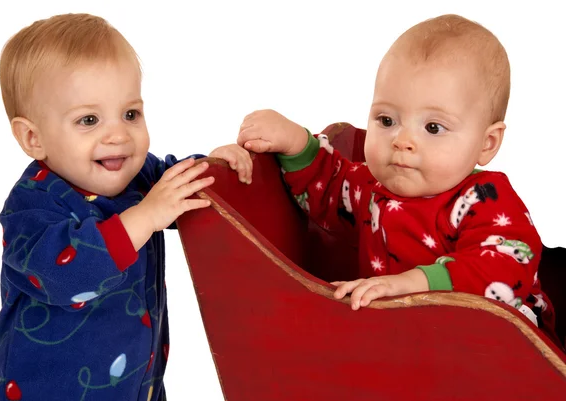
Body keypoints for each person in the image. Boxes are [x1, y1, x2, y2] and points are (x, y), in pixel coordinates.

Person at [236, 14, 557, 342]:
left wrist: (406, 284)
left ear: (486, 144)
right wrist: (297, 145)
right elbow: (329, 188)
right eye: (387, 120)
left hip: (500, 347)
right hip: (411, 343)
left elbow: (502, 266)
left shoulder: (485, 198)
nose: (402, 140)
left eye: (433, 127)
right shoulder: (373, 188)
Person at [0, 13, 252, 401]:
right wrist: (146, 215)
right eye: (89, 120)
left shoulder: (137, 177)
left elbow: (179, 187)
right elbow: (67, 277)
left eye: (131, 114)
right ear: (33, 137)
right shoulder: (31, 208)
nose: (118, 135)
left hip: (136, 384)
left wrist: (217, 167)